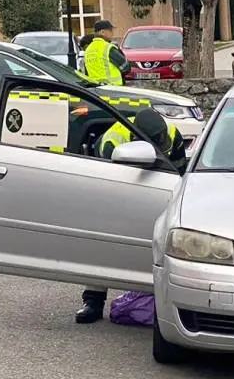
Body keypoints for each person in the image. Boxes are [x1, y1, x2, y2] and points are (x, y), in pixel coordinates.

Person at [76, 109, 188, 324]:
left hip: (159, 192)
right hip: (117, 196)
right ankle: (93, 302)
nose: (161, 145)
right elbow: (107, 184)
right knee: (102, 245)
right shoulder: (111, 142)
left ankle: (162, 299)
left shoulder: (173, 135)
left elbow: (180, 175)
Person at [83, 20, 130, 85]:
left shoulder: (88, 50)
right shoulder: (108, 47)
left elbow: (87, 73)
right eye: (110, 30)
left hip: (95, 91)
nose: (112, 33)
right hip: (113, 90)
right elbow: (126, 67)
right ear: (102, 32)